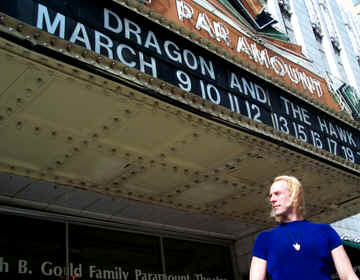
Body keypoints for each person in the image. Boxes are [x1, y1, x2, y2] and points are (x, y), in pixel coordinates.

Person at [249, 175, 359, 280]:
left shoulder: (325, 231)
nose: (272, 199)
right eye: (271, 195)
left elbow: (348, 276)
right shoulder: (264, 238)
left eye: (277, 194)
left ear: (294, 195)